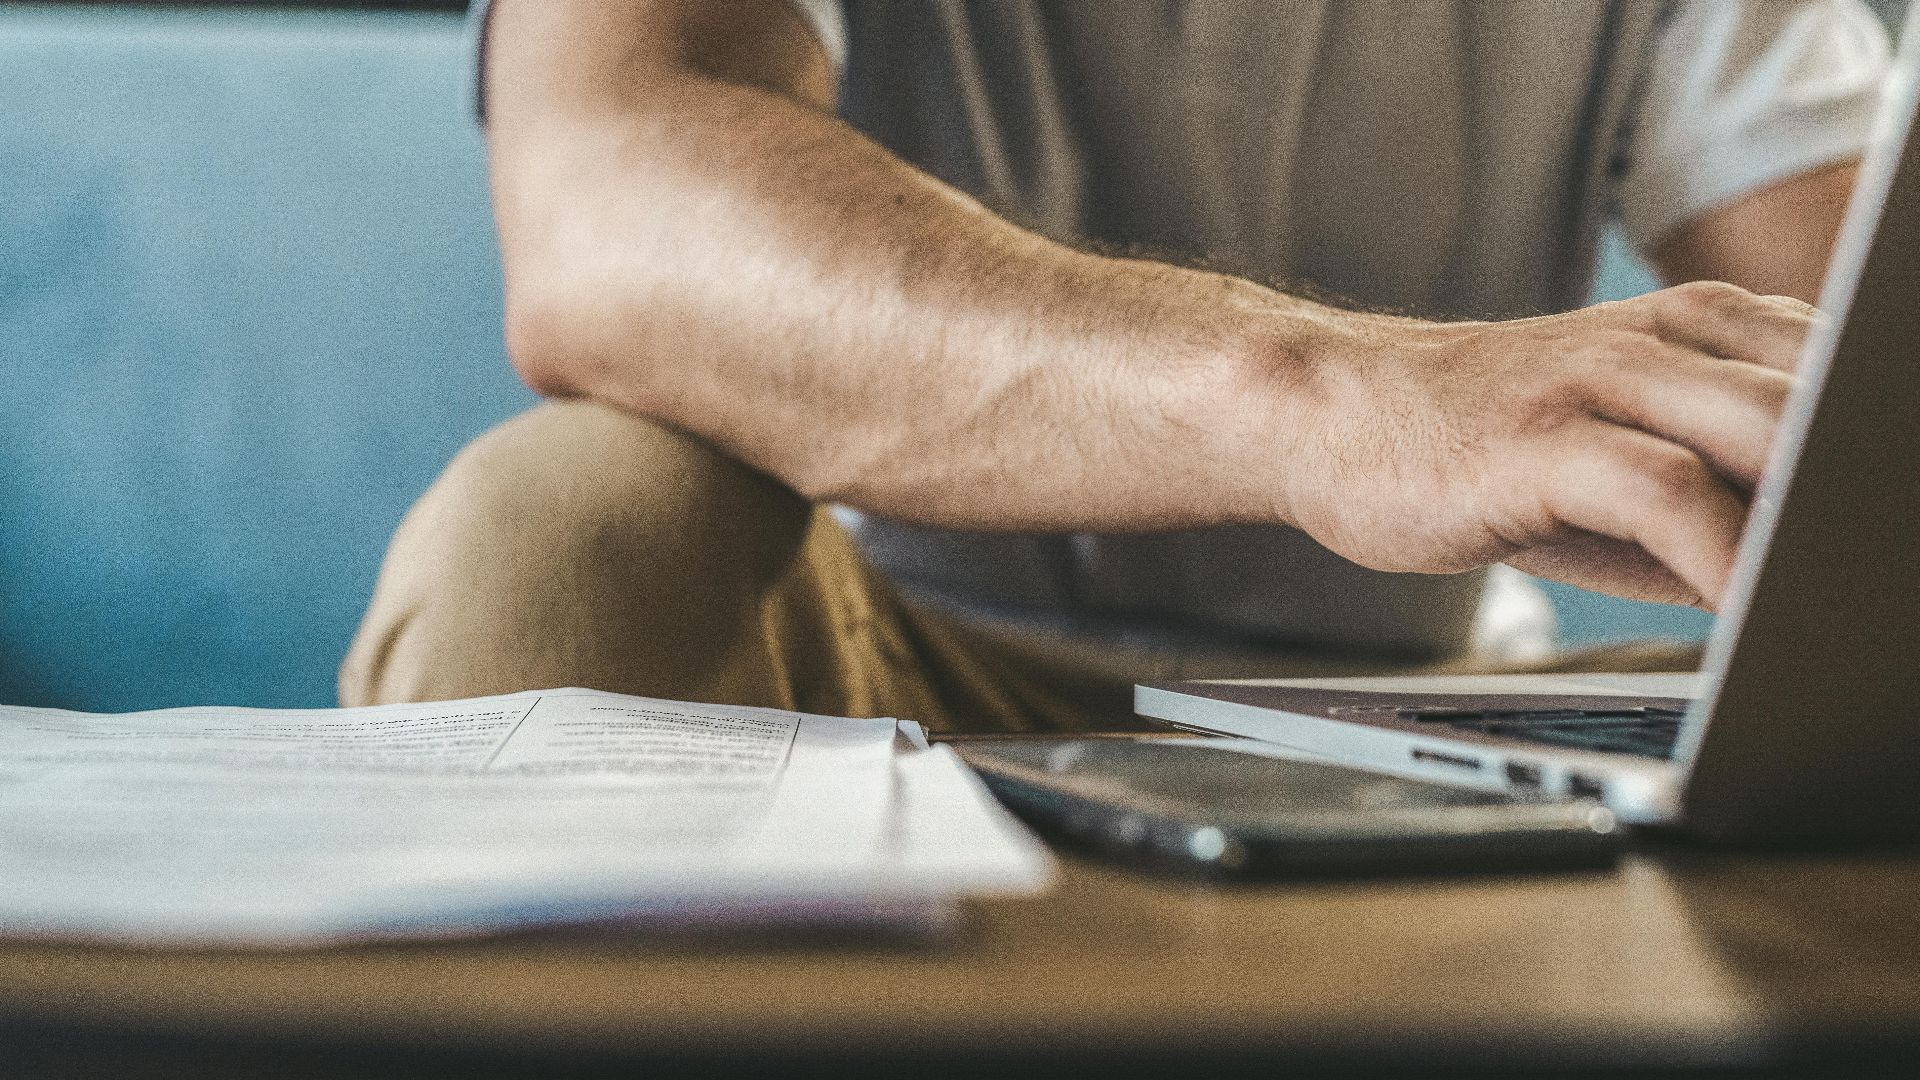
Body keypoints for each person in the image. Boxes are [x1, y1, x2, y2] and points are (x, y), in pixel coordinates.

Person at [341, 0, 1892, 731]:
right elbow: (607, 211)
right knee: (557, 543)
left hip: (1444, 722)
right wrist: (1338, 404)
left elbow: (1872, 366)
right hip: (879, 686)